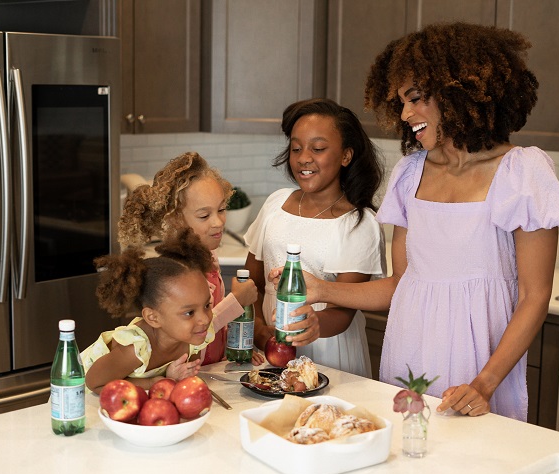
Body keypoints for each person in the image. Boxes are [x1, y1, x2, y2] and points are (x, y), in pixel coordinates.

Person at [275, 23, 559, 420]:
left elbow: (534, 296)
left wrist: (484, 383)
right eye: (401, 101)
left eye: (416, 98)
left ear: (459, 92)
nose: (405, 114)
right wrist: (320, 289)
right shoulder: (410, 173)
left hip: (481, 363)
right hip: (408, 348)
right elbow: (401, 286)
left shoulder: (522, 172)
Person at [245, 98, 386, 378]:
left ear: (346, 156)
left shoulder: (360, 224)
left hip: (331, 354)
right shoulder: (276, 204)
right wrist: (259, 328)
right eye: (296, 148)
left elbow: (343, 313)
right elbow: (252, 282)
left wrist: (312, 324)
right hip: (271, 352)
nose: (303, 158)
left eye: (318, 148)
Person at [118, 152, 263, 366]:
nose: (218, 222)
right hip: (188, 372)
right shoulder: (178, 270)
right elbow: (196, 326)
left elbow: (215, 318)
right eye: (204, 216)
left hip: (212, 368)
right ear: (176, 220)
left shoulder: (208, 256)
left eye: (221, 209)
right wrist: (237, 301)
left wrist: (234, 348)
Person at [82, 230, 215, 394]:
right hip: (79, 399)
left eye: (207, 305)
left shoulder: (193, 335)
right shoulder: (134, 349)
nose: (204, 319)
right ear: (153, 318)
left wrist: (173, 378)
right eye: (189, 313)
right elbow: (94, 384)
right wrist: (153, 382)